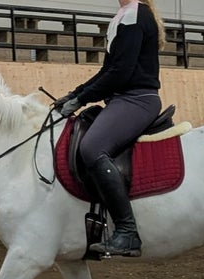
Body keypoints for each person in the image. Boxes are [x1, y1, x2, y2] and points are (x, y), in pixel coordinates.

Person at [52, 0, 164, 257]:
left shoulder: (135, 14)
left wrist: (81, 100)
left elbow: (121, 72)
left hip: (137, 99)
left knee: (91, 148)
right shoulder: (124, 15)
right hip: (122, 98)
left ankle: (127, 232)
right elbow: (108, 70)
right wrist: (74, 94)